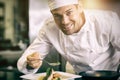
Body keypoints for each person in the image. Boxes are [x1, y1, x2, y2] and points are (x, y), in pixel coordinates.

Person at [17, 0, 120, 74]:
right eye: (57, 15)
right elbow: (28, 57)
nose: (64, 22)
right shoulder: (49, 27)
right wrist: (31, 63)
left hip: (110, 75)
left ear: (80, 7)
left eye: (69, 13)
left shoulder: (107, 21)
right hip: (76, 76)